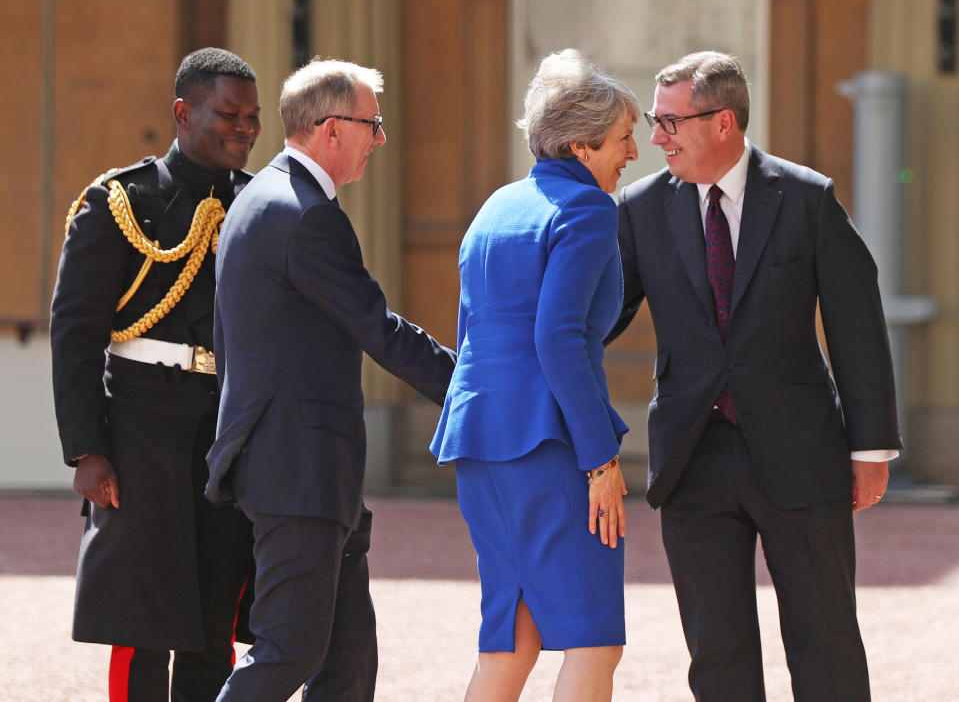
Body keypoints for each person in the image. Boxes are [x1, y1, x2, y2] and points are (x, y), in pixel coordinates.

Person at [607, 51, 902, 701]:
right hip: (692, 458)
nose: (656, 138)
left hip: (801, 455)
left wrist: (870, 446)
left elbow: (856, 323)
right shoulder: (638, 209)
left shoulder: (806, 198)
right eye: (655, 122)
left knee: (823, 640)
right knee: (716, 653)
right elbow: (598, 317)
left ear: (723, 122)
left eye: (668, 121)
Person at [205, 58, 456, 702]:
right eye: (372, 124)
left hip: (301, 466)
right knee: (290, 650)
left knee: (346, 664)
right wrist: (476, 389)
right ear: (331, 128)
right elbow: (378, 327)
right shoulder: (303, 213)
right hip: (299, 470)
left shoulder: (260, 198)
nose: (379, 138)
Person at [50, 48, 262, 701]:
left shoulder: (259, 204)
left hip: (225, 426)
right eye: (227, 113)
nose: (243, 129)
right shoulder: (120, 200)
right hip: (140, 424)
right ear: (182, 112)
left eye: (252, 118)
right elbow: (75, 333)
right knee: (140, 618)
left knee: (213, 614)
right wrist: (87, 449)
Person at [430, 48, 639, 702]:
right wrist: (599, 457)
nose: (632, 155)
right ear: (581, 145)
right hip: (548, 444)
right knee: (594, 639)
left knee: (510, 636)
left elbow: (473, 335)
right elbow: (559, 339)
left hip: (479, 439)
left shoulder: (496, 205)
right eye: (623, 140)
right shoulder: (587, 209)